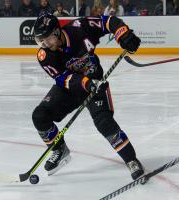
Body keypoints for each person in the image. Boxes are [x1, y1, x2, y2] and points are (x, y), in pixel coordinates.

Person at [33, 12, 144, 180]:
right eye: (40, 40)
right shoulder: (44, 55)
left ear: (57, 32)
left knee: (104, 122)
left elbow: (108, 21)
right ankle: (59, 149)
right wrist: (85, 83)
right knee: (39, 116)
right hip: (69, 88)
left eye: (47, 39)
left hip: (95, 82)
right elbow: (61, 78)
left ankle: (131, 160)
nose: (44, 44)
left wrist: (123, 34)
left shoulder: (80, 28)